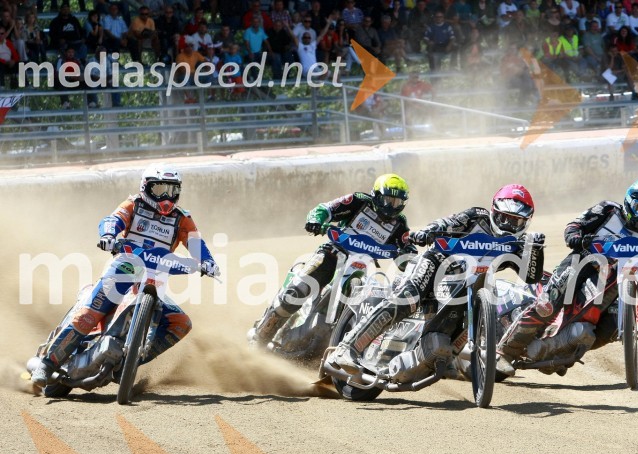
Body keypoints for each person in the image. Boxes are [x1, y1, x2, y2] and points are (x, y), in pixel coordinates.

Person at [29, 166, 220, 388]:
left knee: (181, 323)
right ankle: (48, 363)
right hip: (125, 269)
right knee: (90, 313)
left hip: (154, 281)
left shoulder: (182, 218)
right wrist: (109, 235)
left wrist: (208, 262)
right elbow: (113, 220)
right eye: (159, 189)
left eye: (171, 190)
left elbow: (195, 242)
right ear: (145, 187)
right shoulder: (133, 204)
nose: (166, 197)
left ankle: (131, 361)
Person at [326, 184, 546, 375]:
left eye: (515, 221)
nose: (508, 225)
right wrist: (429, 231)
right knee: (409, 297)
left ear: (526, 222)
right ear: (493, 211)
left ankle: (462, 354)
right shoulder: (476, 216)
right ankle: (348, 348)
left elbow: (530, 276)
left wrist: (536, 250)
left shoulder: (519, 245)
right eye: (504, 218)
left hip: (469, 286)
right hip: (437, 264)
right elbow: (447, 222)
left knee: (493, 299)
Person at [495, 179, 638, 374]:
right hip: (582, 263)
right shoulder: (607, 210)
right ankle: (504, 352)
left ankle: (564, 347)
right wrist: (577, 238)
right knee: (547, 305)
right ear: (629, 201)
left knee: (610, 329)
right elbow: (574, 226)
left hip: (617, 279)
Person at [249, 174, 416, 346]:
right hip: (332, 254)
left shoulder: (400, 224)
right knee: (297, 289)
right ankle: (261, 335)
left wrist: (409, 258)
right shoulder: (357, 200)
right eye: (388, 200)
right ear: (377, 195)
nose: (392, 206)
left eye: (397, 202)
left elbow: (406, 249)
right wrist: (316, 221)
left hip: (361, 267)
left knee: (371, 300)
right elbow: (325, 209)